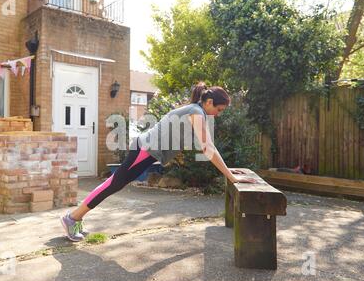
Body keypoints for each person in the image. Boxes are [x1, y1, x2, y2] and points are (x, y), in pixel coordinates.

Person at [60, 82, 257, 241]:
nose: (219, 113)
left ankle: (75, 218)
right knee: (114, 184)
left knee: (114, 184)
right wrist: (230, 176)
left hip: (147, 152)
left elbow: (204, 145)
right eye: (219, 109)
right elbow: (208, 148)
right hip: (144, 150)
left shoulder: (197, 111)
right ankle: (72, 218)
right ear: (209, 102)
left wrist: (230, 172)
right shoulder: (196, 112)